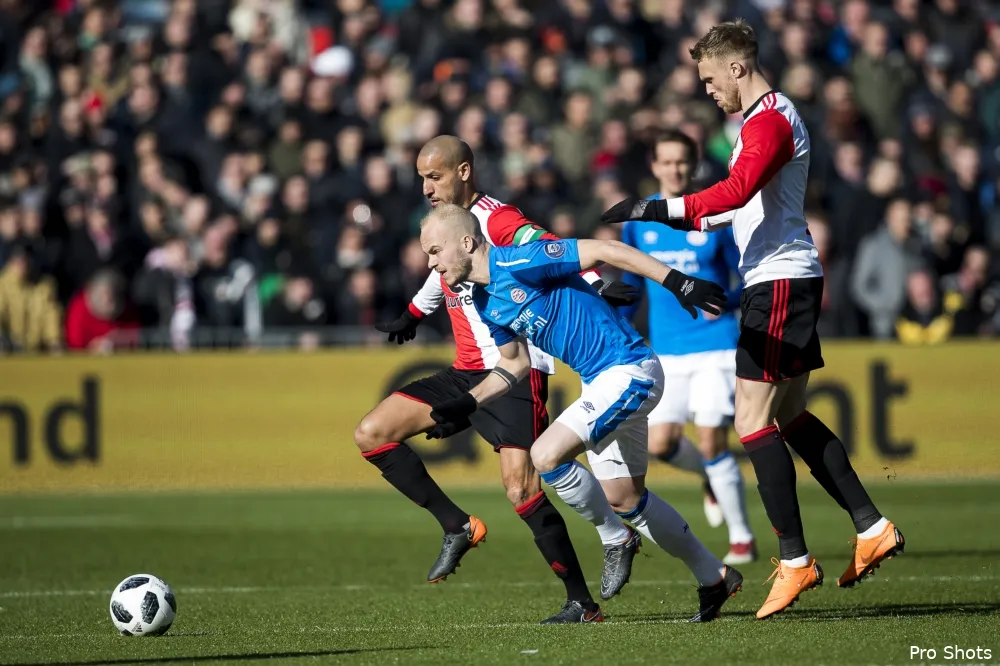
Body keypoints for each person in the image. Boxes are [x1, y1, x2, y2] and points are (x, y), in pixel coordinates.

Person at [600, 20, 904, 619]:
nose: (709, 91)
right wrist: (659, 217)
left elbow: (734, 193)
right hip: (785, 278)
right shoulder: (757, 124)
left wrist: (658, 205)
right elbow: (726, 212)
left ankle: (793, 561)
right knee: (788, 415)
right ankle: (871, 526)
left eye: (710, 80)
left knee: (751, 420)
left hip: (780, 281)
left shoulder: (769, 120)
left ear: (736, 68)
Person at [354, 136, 637, 624]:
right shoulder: (445, 232)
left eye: (434, 176)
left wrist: (596, 285)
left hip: (516, 367)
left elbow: (552, 250)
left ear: (464, 171)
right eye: (421, 177)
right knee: (371, 433)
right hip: (467, 369)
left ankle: (583, 600)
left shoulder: (499, 219)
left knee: (520, 489)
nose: (425, 187)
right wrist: (412, 314)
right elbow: (437, 275)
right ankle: (457, 526)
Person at [419, 203, 743, 623]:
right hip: (603, 381)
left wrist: (678, 282)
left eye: (434, 251)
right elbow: (514, 364)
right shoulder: (484, 302)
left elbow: (606, 249)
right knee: (625, 497)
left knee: (545, 455)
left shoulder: (518, 259)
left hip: (630, 369)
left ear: (466, 242)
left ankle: (615, 538)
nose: (431, 263)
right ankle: (715, 577)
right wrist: (468, 402)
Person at [619, 130, 757, 565]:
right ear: (654, 166)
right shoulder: (639, 222)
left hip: (715, 346)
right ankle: (711, 480)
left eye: (683, 162)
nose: (675, 169)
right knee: (660, 444)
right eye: (667, 161)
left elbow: (745, 276)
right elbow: (630, 285)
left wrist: (726, 303)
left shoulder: (713, 214)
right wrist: (618, 327)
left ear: (692, 165)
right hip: (668, 350)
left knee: (713, 439)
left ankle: (742, 540)